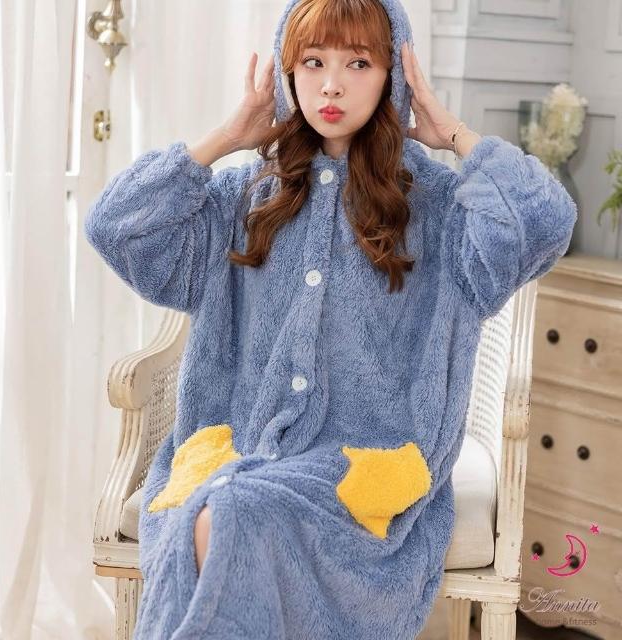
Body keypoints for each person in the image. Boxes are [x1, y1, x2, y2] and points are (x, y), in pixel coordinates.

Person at [84, 0, 577, 637]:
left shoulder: (440, 209)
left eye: (359, 63)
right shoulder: (245, 196)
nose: (332, 85)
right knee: (226, 508)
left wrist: (453, 132)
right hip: (242, 450)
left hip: (360, 471)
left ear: (394, 75)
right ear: (286, 72)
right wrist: (228, 136)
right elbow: (115, 225)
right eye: (313, 62)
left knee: (230, 515)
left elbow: (545, 221)